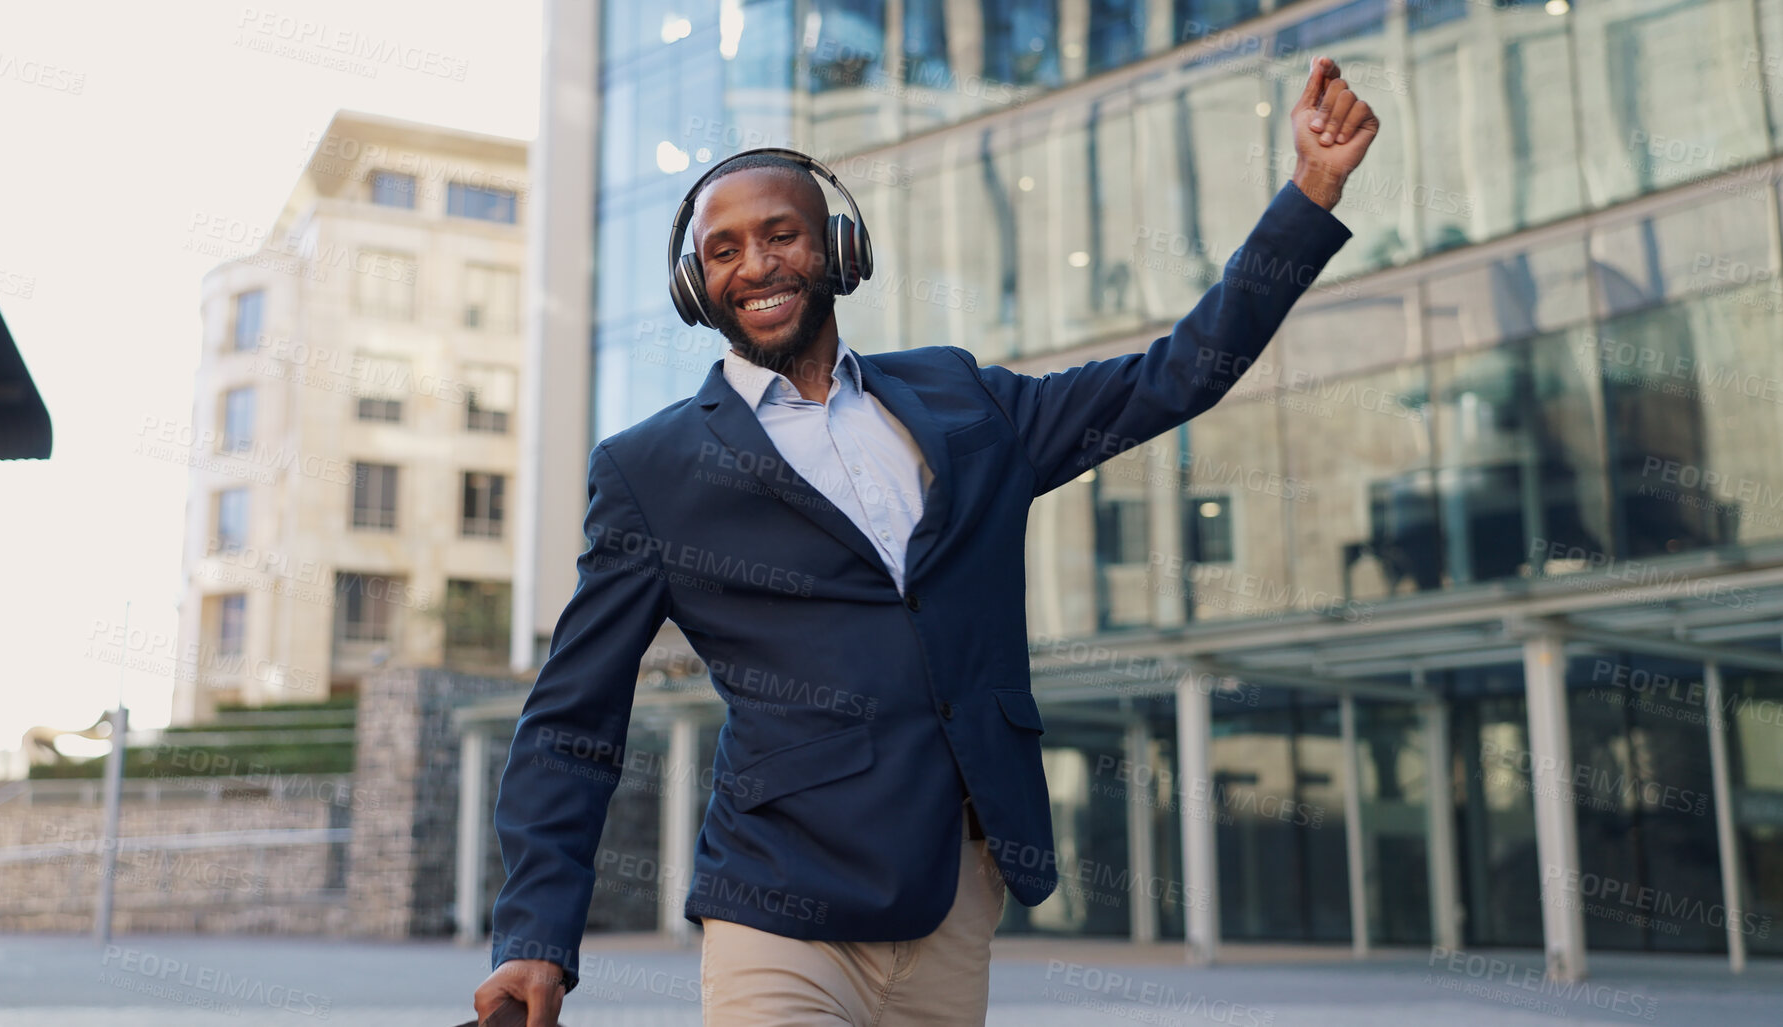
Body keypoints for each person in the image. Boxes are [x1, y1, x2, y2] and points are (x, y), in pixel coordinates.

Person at [474, 55, 1379, 1027]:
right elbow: (574, 716)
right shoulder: (650, 468)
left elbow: (1176, 375)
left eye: (781, 234)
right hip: (776, 903)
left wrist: (1310, 192)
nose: (756, 265)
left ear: (840, 250)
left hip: (954, 898)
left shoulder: (965, 399)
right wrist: (535, 937)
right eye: (725, 249)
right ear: (699, 285)